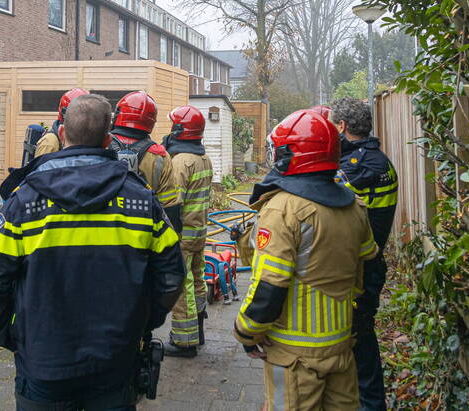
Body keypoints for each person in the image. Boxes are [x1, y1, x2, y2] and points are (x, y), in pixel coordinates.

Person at [0, 93, 184, 411]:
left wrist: (7, 332)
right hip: (116, 361)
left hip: (44, 361)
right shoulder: (142, 202)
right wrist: (144, 322)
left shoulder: (25, 202)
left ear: (61, 133)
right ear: (107, 139)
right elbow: (170, 277)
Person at [234, 109, 377, 410]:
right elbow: (369, 269)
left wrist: (246, 332)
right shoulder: (354, 206)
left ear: (290, 155)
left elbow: (270, 286)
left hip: (294, 357)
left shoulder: (282, 210)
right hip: (341, 347)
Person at [330, 97, 398, 411]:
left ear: (342, 126)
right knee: (358, 333)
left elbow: (330, 202)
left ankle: (370, 404)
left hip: (362, 268)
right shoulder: (376, 159)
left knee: (360, 338)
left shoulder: (359, 167)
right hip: (368, 261)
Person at [161, 105, 214, 358]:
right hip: (200, 232)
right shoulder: (203, 157)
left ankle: (184, 342)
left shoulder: (181, 161)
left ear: (180, 130)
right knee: (198, 281)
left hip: (183, 237)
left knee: (183, 287)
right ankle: (198, 330)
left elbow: (174, 202)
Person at [109, 91, 181, 230]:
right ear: (151, 121)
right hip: (143, 232)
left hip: (104, 232)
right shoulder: (160, 156)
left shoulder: (100, 145)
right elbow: (170, 208)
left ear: (118, 114)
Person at [33, 88, 89, 159]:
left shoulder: (86, 139)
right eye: (77, 114)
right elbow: (41, 169)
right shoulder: (50, 142)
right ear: (64, 114)